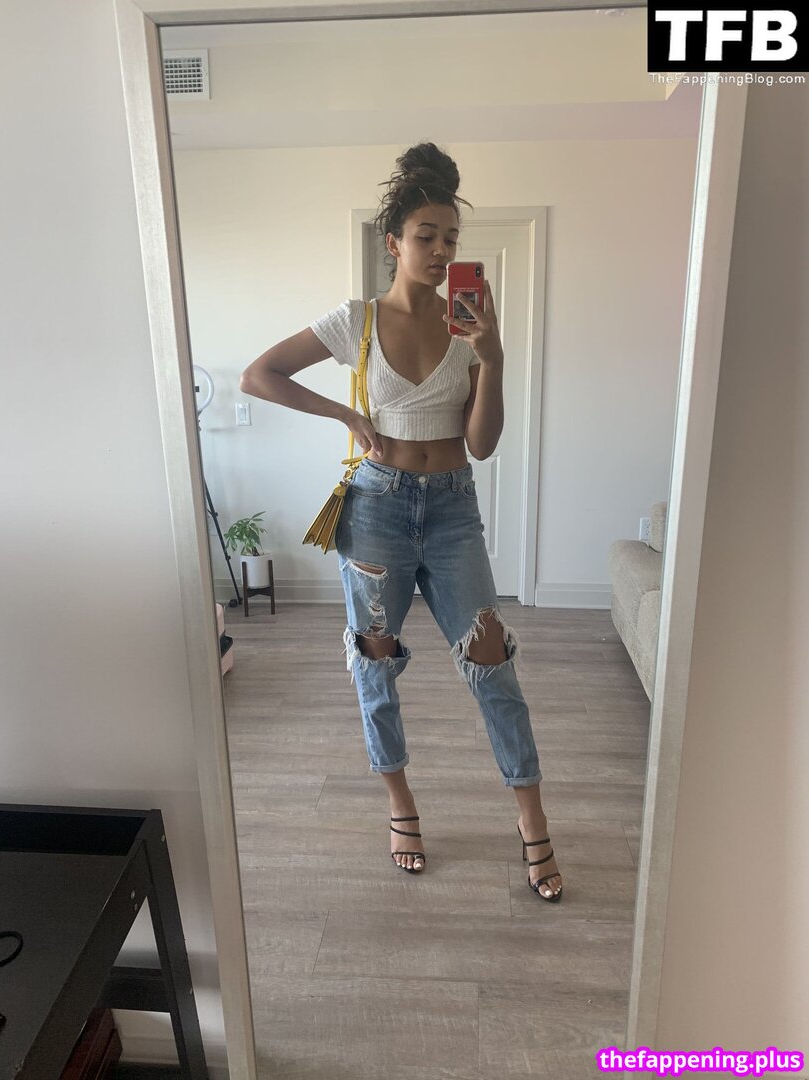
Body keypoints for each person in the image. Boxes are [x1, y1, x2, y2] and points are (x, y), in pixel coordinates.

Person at [240, 142, 562, 901]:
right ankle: (401, 806)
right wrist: (345, 413)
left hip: (452, 509)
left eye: (451, 238)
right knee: (375, 662)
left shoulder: (467, 327)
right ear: (393, 242)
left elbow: (481, 444)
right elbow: (259, 375)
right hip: (377, 508)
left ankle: (533, 820)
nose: (441, 251)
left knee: (492, 663)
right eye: (426, 236)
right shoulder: (355, 320)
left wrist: (493, 357)